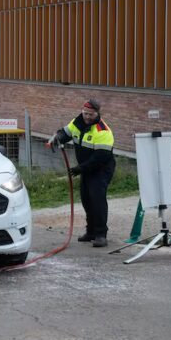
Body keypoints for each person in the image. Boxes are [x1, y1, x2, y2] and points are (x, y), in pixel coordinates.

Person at [46, 99, 116, 247]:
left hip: (101, 169)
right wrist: (57, 138)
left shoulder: (102, 131)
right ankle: (90, 232)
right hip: (86, 168)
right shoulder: (77, 122)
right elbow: (65, 133)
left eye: (90, 114)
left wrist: (80, 168)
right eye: (85, 113)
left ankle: (101, 235)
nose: (87, 117)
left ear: (97, 113)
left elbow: (100, 158)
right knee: (86, 199)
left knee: (97, 200)